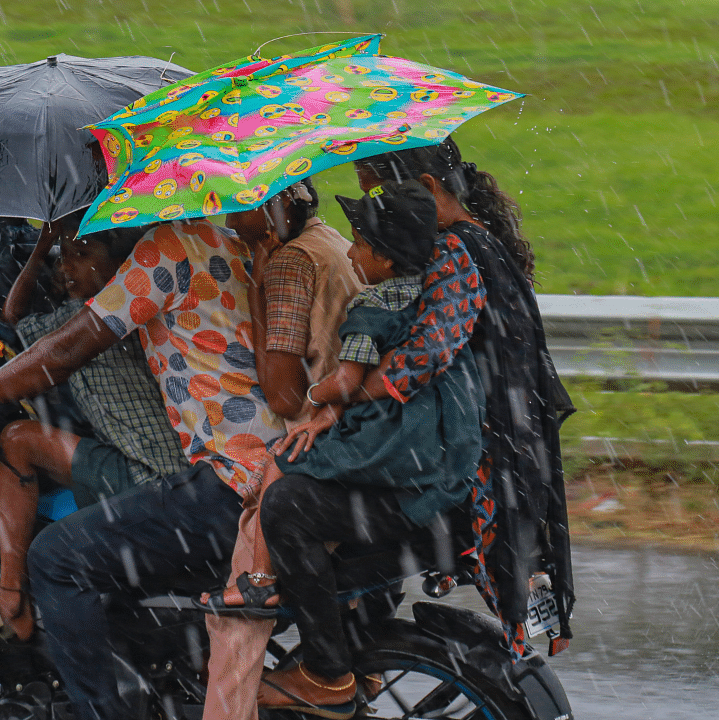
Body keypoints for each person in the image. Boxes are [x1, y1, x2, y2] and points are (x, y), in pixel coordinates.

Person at [0, 216, 285, 720]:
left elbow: (62, 352)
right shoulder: (221, 239)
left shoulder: (164, 250)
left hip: (232, 478)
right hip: (274, 466)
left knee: (55, 559)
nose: (68, 263)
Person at [249, 181, 486, 719]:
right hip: (445, 456)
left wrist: (317, 397)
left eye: (359, 244)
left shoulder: (371, 304)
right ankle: (363, 647)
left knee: (285, 498)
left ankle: (326, 673)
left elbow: (341, 381)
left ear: (382, 256)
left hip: (401, 458)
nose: (351, 254)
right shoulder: (440, 288)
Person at [0, 216, 190, 641]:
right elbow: (14, 315)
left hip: (150, 475)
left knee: (17, 442)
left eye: (81, 255)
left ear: (119, 265)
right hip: (153, 466)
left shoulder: (103, 319)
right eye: (64, 257)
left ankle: (9, 600)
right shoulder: (109, 310)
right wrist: (46, 243)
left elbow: (27, 334)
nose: (65, 268)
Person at [351, 137, 575, 662]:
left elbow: (425, 354)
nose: (384, 214)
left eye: (383, 195)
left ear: (428, 189)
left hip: (482, 461)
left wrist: (345, 393)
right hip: (513, 448)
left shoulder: (455, 249)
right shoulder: (486, 242)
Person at [199, 178, 362, 720]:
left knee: (238, 610)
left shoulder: (291, 264)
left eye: (240, 204)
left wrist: (257, 291)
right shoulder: (331, 242)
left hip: (318, 435)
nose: (227, 216)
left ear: (280, 201)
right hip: (356, 429)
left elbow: (285, 394)